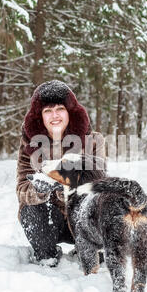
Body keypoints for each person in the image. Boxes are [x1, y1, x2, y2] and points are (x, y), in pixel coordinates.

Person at [16, 80, 106, 267]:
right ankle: (47, 256)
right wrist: (39, 190)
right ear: (40, 116)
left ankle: (91, 250)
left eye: (60, 109)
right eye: (47, 111)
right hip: (51, 219)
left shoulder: (93, 140)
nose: (54, 115)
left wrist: (64, 184)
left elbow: (97, 186)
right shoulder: (29, 144)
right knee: (29, 210)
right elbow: (22, 188)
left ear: (70, 112)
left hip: (83, 218)